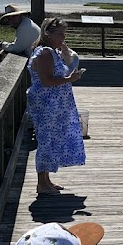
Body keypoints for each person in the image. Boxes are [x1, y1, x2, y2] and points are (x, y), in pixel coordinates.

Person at [27, 17, 85, 196]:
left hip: (54, 103)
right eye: (60, 34)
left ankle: (46, 181)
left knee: (51, 140)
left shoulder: (52, 51)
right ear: (48, 34)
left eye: (64, 34)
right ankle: (41, 184)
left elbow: (67, 64)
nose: (63, 38)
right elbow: (46, 81)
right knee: (45, 141)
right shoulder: (44, 53)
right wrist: (70, 79)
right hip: (46, 103)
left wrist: (65, 52)